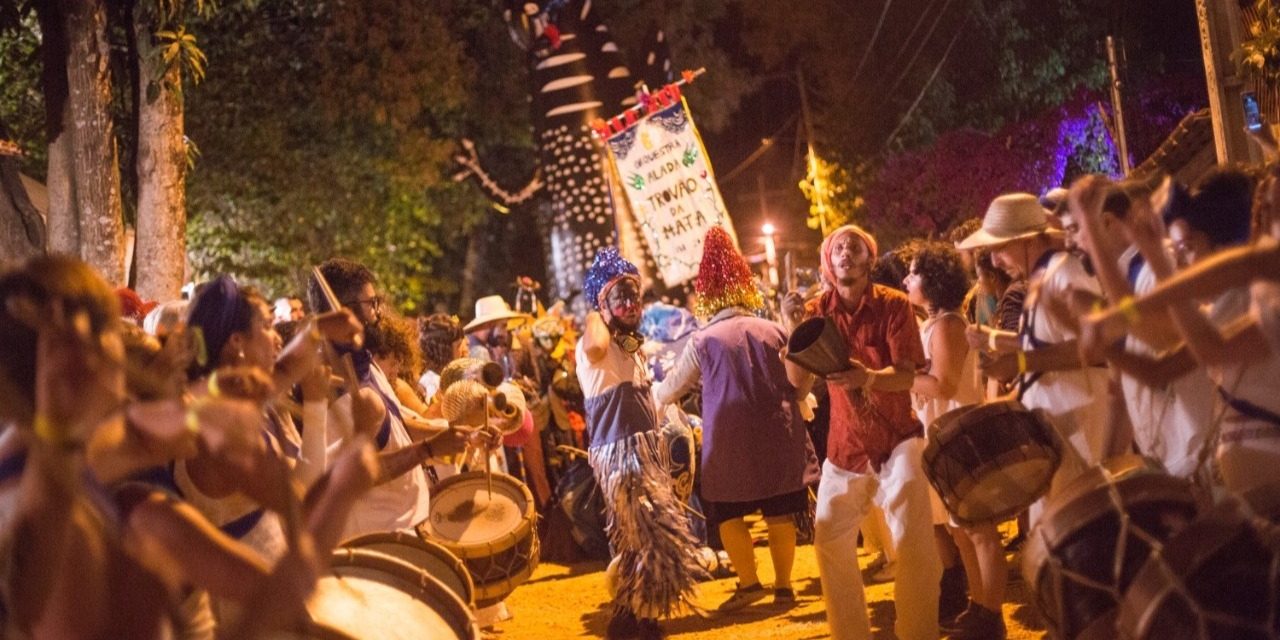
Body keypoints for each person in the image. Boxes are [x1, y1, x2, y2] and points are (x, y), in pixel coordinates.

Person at [781, 224, 941, 640]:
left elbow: (906, 377)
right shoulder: (816, 311)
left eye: (854, 247)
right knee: (829, 539)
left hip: (898, 438)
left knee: (913, 540)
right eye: (837, 248)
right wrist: (790, 326)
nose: (845, 253)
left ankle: (917, 632)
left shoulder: (894, 304)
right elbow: (797, 383)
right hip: (846, 444)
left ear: (870, 259)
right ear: (828, 262)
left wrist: (867, 378)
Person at [653, 227, 819, 612]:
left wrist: (655, 396)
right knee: (780, 510)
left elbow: (672, 387)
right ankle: (783, 586)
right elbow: (798, 381)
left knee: (727, 512)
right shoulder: (776, 330)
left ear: (705, 293)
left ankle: (749, 584)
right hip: (779, 432)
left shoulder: (702, 340)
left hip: (728, 441)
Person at [576, 246, 705, 640]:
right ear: (603, 304)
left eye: (636, 295)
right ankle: (633, 617)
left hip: (645, 452)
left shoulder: (632, 347)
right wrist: (595, 311)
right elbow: (597, 344)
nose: (632, 304)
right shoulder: (593, 345)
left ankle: (638, 614)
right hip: (621, 456)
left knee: (644, 538)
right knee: (648, 535)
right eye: (621, 297)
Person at [957, 194, 1112, 520]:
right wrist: (996, 342)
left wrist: (1023, 363)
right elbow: (1047, 342)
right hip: (1058, 421)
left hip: (1079, 418)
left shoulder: (1065, 273)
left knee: (1082, 520)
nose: (996, 261)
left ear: (1028, 239)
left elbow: (1096, 345)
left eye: (1001, 249)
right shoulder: (1042, 278)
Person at [904, 241, 1004, 638]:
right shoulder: (936, 323)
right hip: (944, 433)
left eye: (914, 273)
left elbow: (943, 384)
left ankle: (991, 613)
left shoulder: (947, 324)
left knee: (978, 529)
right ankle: (977, 606)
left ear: (934, 281)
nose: (907, 280)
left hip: (960, 432)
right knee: (960, 530)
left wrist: (895, 377)